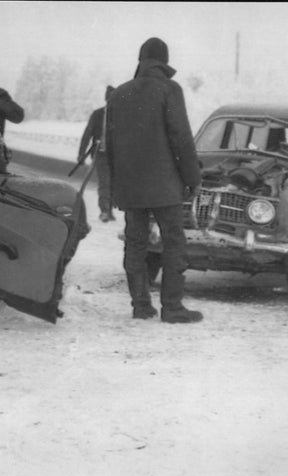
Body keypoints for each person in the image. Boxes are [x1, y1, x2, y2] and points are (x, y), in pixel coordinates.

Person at [106, 37, 203, 323]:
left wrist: (115, 185)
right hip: (165, 187)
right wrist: (192, 178)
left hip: (131, 187)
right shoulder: (169, 89)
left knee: (135, 244)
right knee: (174, 242)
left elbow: (109, 145)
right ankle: (172, 307)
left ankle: (140, 305)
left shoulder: (118, 94)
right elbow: (181, 138)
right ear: (164, 60)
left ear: (141, 60)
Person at [78, 85, 116, 222]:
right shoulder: (98, 114)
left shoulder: (122, 115)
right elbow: (87, 134)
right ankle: (105, 210)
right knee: (105, 182)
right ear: (106, 99)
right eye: (110, 99)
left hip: (117, 156)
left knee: (114, 183)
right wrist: (81, 153)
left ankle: (110, 208)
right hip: (101, 154)